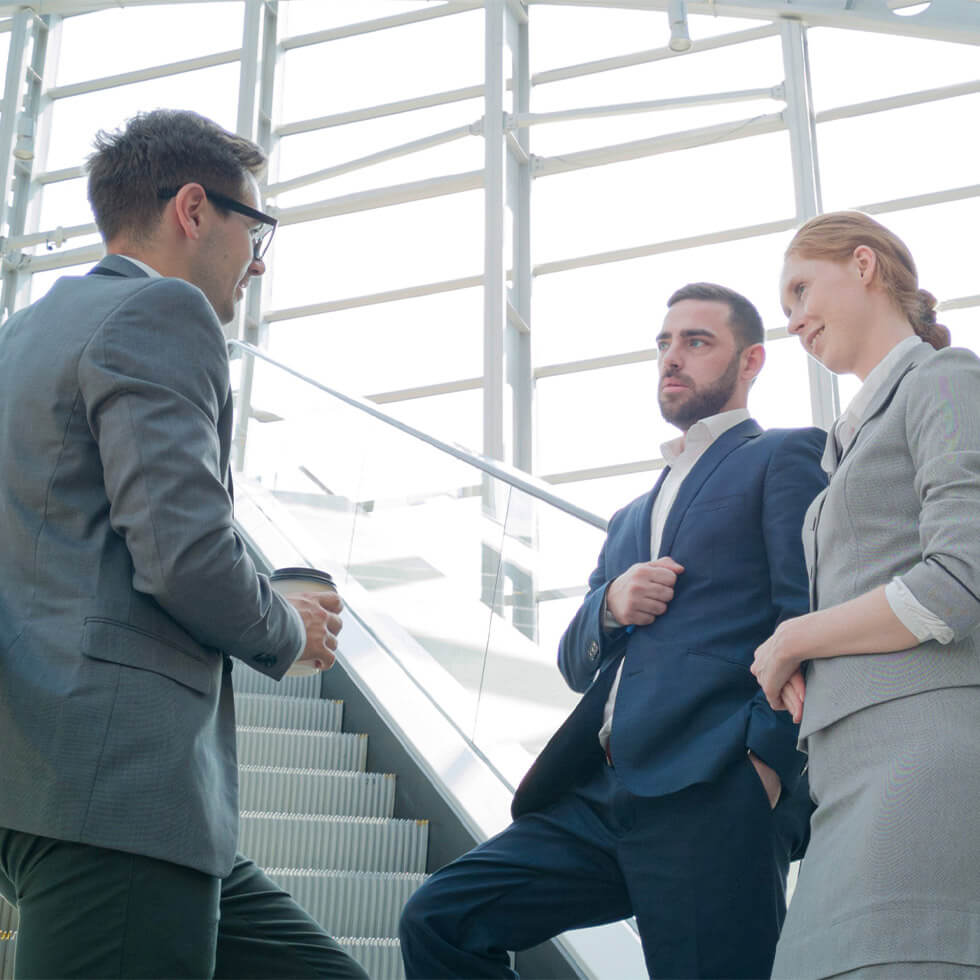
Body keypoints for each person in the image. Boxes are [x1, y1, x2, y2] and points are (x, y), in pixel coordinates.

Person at [0, 110, 368, 980]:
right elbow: (182, 553)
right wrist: (287, 629)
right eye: (257, 228)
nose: (260, 260)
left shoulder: (24, 334)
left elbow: (100, 532)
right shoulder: (161, 308)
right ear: (195, 209)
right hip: (121, 788)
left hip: (65, 780)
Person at [399, 283, 827, 979]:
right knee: (442, 918)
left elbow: (805, 614)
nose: (672, 358)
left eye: (697, 341)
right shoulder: (632, 514)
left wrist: (766, 769)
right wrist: (609, 605)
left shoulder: (781, 456)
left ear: (751, 362)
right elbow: (575, 663)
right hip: (597, 797)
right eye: (664, 343)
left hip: (713, 790)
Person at [752, 211, 980, 980]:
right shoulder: (844, 438)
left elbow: (958, 582)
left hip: (921, 760)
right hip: (848, 774)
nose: (793, 320)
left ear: (862, 265)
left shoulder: (946, 380)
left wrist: (796, 638)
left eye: (800, 289)